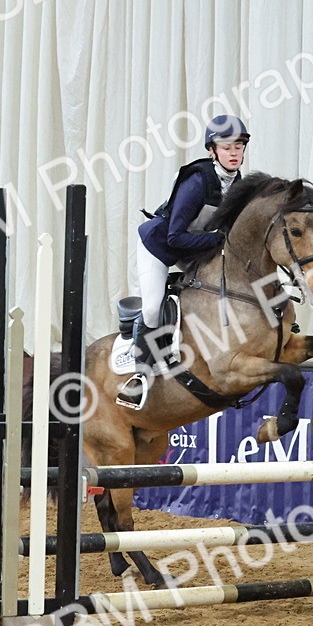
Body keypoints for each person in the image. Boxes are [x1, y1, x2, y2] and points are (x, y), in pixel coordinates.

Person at [115, 114, 250, 410]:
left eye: (238, 146)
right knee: (152, 308)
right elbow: (175, 237)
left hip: (194, 250)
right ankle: (140, 376)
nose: (234, 153)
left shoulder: (237, 184)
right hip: (160, 247)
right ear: (212, 150)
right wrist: (218, 239)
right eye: (226, 147)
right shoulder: (198, 181)